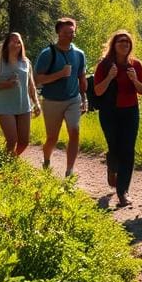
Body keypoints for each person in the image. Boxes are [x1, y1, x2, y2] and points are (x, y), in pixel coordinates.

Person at [93, 30, 142, 207]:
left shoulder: (136, 65)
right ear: (113, 45)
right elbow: (97, 91)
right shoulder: (104, 65)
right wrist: (110, 76)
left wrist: (134, 80)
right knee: (114, 146)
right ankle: (112, 166)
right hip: (109, 112)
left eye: (127, 42)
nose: (124, 44)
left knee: (128, 149)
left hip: (130, 111)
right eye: (120, 42)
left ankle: (123, 191)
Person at [33, 17, 87, 177]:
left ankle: (69, 170)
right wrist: (60, 74)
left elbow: (82, 77)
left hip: (73, 99)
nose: (69, 35)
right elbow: (37, 79)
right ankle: (46, 160)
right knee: (52, 138)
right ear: (58, 33)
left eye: (72, 32)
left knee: (75, 131)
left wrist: (84, 98)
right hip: (51, 101)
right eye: (65, 32)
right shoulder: (47, 54)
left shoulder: (79, 54)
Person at [0, 32, 40, 156]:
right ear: (6, 44)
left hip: (24, 106)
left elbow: (31, 85)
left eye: (19, 41)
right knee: (12, 140)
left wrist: (37, 103)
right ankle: (5, 167)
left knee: (24, 142)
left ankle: (11, 161)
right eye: (13, 41)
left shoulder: (26, 62)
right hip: (4, 106)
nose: (16, 44)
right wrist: (5, 85)